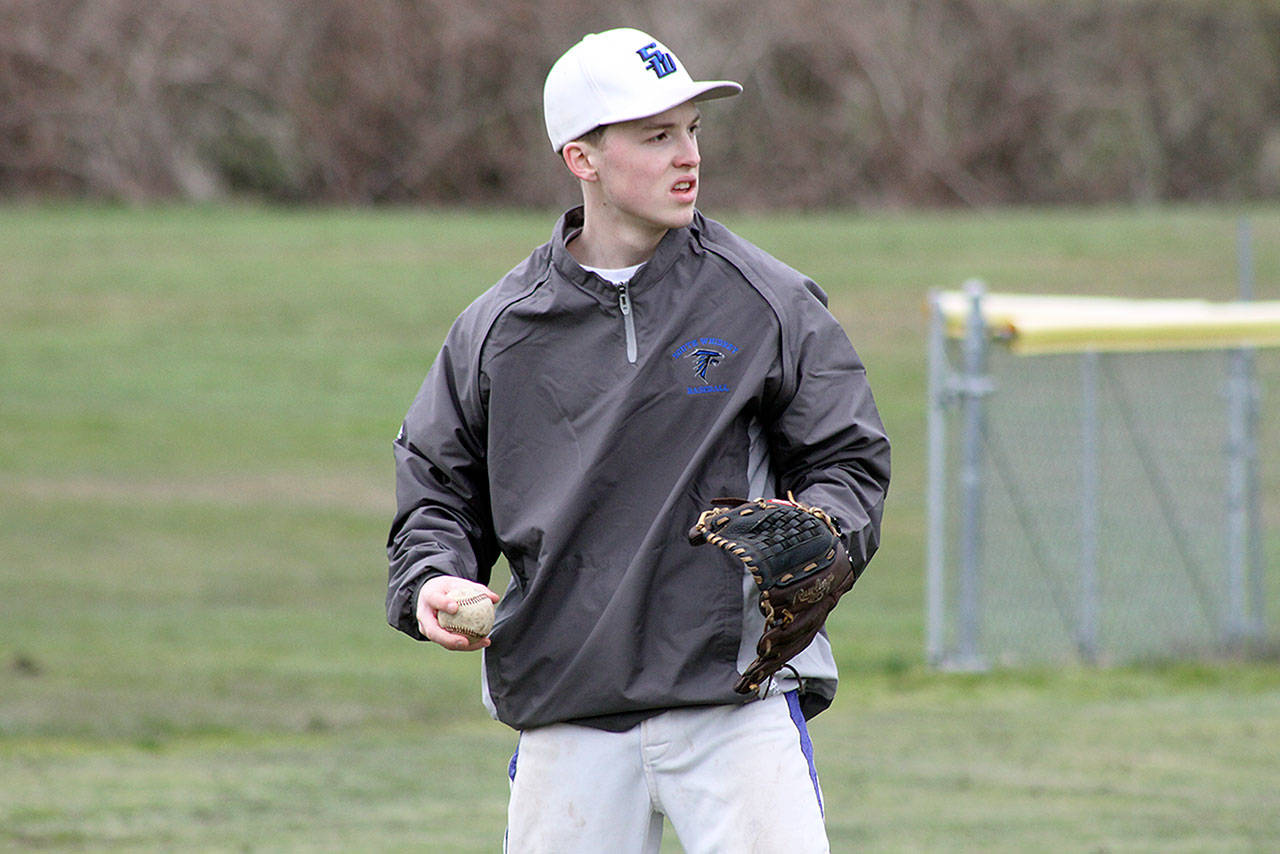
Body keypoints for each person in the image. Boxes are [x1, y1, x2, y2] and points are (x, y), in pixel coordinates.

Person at [387, 27, 890, 853]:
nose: (688, 156)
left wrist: (824, 532)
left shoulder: (767, 301)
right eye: (656, 136)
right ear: (581, 158)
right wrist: (432, 580)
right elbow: (437, 491)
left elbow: (847, 457)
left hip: (736, 706)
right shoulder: (497, 331)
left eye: (691, 130)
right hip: (568, 712)